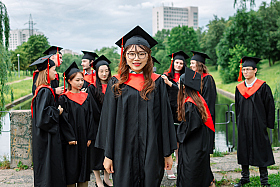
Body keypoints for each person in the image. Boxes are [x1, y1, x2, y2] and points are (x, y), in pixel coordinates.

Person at [95, 25, 177, 187]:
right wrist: (108, 155)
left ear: (148, 56)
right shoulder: (116, 83)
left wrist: (168, 153)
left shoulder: (157, 82)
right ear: (124, 56)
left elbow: (165, 120)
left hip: (152, 151)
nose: (136, 58)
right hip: (123, 151)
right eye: (131, 54)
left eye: (141, 53)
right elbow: (109, 122)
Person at [234, 56, 275, 187]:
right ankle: (245, 177)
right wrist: (238, 123)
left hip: (258, 125)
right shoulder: (239, 88)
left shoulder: (263, 87)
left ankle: (264, 180)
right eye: (243, 69)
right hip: (244, 125)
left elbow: (270, 106)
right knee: (243, 150)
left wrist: (267, 125)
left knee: (261, 150)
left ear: (255, 70)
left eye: (248, 69)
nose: (245, 72)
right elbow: (237, 107)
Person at [30, 55, 66, 187]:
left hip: (42, 136)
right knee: (49, 168)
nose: (55, 73)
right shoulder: (45, 91)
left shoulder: (41, 90)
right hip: (47, 138)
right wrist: (58, 111)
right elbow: (43, 117)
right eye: (54, 70)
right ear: (46, 71)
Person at [176, 67, 215, 187]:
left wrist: (176, 133)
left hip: (193, 147)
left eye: (178, 83)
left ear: (183, 87)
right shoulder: (197, 99)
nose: (177, 85)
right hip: (199, 143)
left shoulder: (190, 104)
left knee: (191, 175)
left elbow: (188, 128)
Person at [58, 62, 94, 187]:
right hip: (71, 141)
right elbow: (63, 120)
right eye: (77, 80)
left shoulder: (87, 97)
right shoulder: (64, 98)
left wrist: (90, 136)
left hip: (84, 138)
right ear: (69, 81)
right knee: (71, 167)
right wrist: (70, 137)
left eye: (82, 80)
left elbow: (90, 117)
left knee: (83, 166)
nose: (80, 83)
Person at [161, 51, 189, 179]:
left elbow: (185, 92)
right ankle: (169, 168)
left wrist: (171, 84)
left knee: (180, 140)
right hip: (169, 111)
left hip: (182, 110)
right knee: (169, 139)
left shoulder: (186, 77)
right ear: (173, 63)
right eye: (177, 62)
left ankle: (179, 164)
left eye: (181, 63)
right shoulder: (166, 76)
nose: (179, 65)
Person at [190, 50, 217, 186]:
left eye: (193, 63)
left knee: (204, 152)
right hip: (195, 120)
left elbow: (208, 102)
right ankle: (206, 178)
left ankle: (209, 179)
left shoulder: (208, 79)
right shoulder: (194, 78)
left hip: (205, 121)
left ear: (199, 65)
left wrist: (201, 118)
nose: (190, 65)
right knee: (198, 152)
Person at [87, 55, 113, 187]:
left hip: (111, 124)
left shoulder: (113, 85)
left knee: (107, 152)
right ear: (96, 72)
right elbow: (93, 109)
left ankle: (107, 178)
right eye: (101, 71)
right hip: (97, 125)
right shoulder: (92, 88)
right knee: (96, 153)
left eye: (106, 70)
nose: (104, 73)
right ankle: (98, 179)